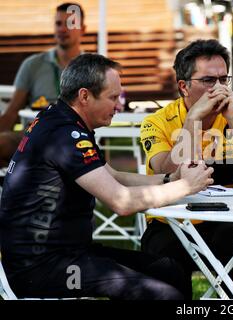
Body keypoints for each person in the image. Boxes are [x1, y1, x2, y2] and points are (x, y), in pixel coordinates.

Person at [0, 53, 215, 300]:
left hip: (65, 255)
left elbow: (112, 176)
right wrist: (185, 186)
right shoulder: (65, 134)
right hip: (42, 269)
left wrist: (171, 178)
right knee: (164, 296)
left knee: (169, 270)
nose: (119, 105)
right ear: (84, 96)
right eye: (113, 97)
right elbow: (121, 202)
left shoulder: (62, 118)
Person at [139, 39, 233, 298]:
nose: (220, 88)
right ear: (183, 86)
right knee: (164, 262)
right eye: (209, 81)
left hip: (226, 220)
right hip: (172, 222)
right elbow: (165, 170)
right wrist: (193, 119)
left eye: (224, 79)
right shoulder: (155, 122)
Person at [0, 2, 85, 132]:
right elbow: (12, 113)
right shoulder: (32, 65)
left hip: (78, 138)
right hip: (34, 137)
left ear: (83, 29)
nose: (62, 29)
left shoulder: (94, 68)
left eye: (70, 23)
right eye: (58, 24)